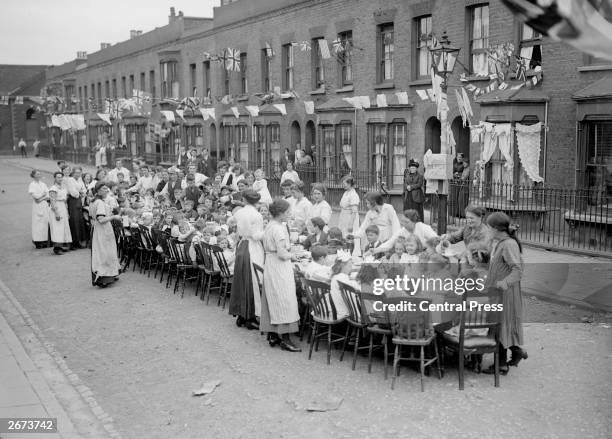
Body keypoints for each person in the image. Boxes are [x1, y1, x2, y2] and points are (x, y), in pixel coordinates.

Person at [483, 212, 527, 375]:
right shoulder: (501, 242)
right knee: (498, 325)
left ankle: (502, 363)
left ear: (495, 229)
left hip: (505, 293)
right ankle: (513, 354)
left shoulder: (508, 244)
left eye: (488, 227)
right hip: (498, 292)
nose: (487, 230)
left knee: (499, 324)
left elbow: (518, 270)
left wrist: (504, 283)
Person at [261, 198, 302, 352]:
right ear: (279, 213)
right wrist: (295, 255)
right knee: (285, 299)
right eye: (287, 212)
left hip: (270, 263)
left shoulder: (271, 225)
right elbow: (282, 253)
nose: (289, 214)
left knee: (273, 296)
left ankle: (273, 333)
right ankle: (285, 338)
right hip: (279, 266)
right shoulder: (278, 228)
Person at [229, 190, 265, 330]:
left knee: (240, 280)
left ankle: (241, 315)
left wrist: (240, 228)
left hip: (242, 245)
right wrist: (266, 231)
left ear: (244, 200)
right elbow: (256, 236)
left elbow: (230, 221)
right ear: (256, 201)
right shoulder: (257, 215)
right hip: (252, 247)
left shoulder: (239, 212)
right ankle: (249, 317)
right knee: (253, 281)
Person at [90, 182, 122, 287]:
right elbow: (101, 219)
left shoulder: (97, 201)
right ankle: (104, 278)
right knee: (104, 253)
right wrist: (114, 217)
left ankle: (111, 275)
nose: (106, 190)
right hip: (102, 230)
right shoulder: (99, 202)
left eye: (107, 189)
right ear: (98, 190)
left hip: (102, 230)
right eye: (104, 189)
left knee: (106, 252)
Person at [369, 209, 437, 256]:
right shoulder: (403, 231)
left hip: (426, 255)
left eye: (406, 222)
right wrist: (376, 250)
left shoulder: (423, 227)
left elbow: (436, 239)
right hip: (409, 255)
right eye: (402, 221)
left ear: (414, 221)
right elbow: (390, 242)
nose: (403, 224)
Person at [48, 172, 72, 255]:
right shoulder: (53, 188)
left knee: (63, 227)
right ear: (54, 178)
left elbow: (65, 201)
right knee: (57, 228)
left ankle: (62, 246)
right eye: (58, 177)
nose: (60, 179)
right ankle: (56, 248)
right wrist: (56, 213)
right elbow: (52, 201)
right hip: (57, 208)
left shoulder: (63, 187)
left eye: (61, 177)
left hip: (63, 207)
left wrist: (67, 211)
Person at [64, 166, 88, 249]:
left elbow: (84, 190)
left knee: (79, 221)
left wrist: (82, 192)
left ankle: (78, 241)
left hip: (79, 201)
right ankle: (73, 242)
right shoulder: (70, 180)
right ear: (73, 173)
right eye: (76, 172)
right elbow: (73, 193)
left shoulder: (80, 179)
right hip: (73, 201)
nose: (78, 174)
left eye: (79, 172)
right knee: (74, 221)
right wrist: (80, 192)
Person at [28, 170, 50, 249]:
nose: (39, 175)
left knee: (44, 222)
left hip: (44, 204)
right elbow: (35, 197)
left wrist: (41, 198)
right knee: (37, 223)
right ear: (33, 175)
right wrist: (42, 195)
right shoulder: (32, 185)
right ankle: (37, 242)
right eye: (37, 174)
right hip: (37, 206)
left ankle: (44, 241)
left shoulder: (43, 184)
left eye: (40, 174)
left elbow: (48, 195)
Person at [450, 153, 471, 218]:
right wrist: (454, 175)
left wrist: (458, 175)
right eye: (458, 157)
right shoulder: (455, 165)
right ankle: (456, 213)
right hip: (455, 183)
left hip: (461, 184)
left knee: (461, 200)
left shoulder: (464, 166)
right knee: (455, 199)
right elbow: (451, 172)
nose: (459, 158)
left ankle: (462, 214)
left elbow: (464, 176)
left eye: (460, 157)